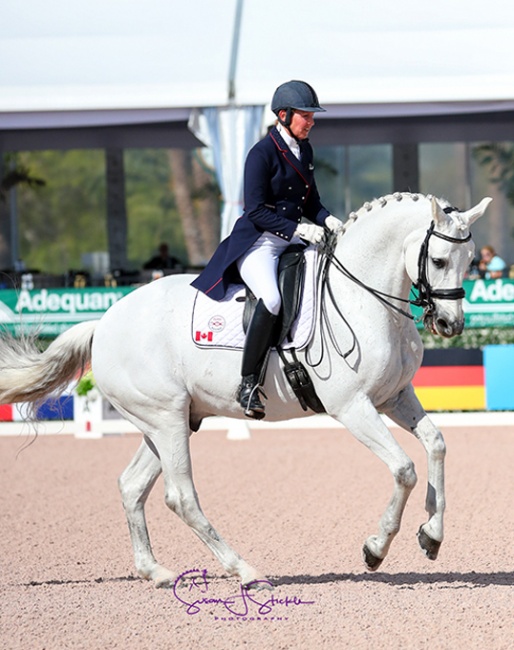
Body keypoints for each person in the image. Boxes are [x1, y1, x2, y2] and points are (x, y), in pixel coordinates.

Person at [191, 80, 343, 419]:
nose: (312, 122)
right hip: (259, 243)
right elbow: (255, 209)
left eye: (312, 116)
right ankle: (247, 383)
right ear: (284, 115)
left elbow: (312, 202)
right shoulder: (261, 153)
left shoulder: (306, 149)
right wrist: (297, 228)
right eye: (306, 116)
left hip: (293, 239)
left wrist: (330, 220)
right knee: (272, 300)